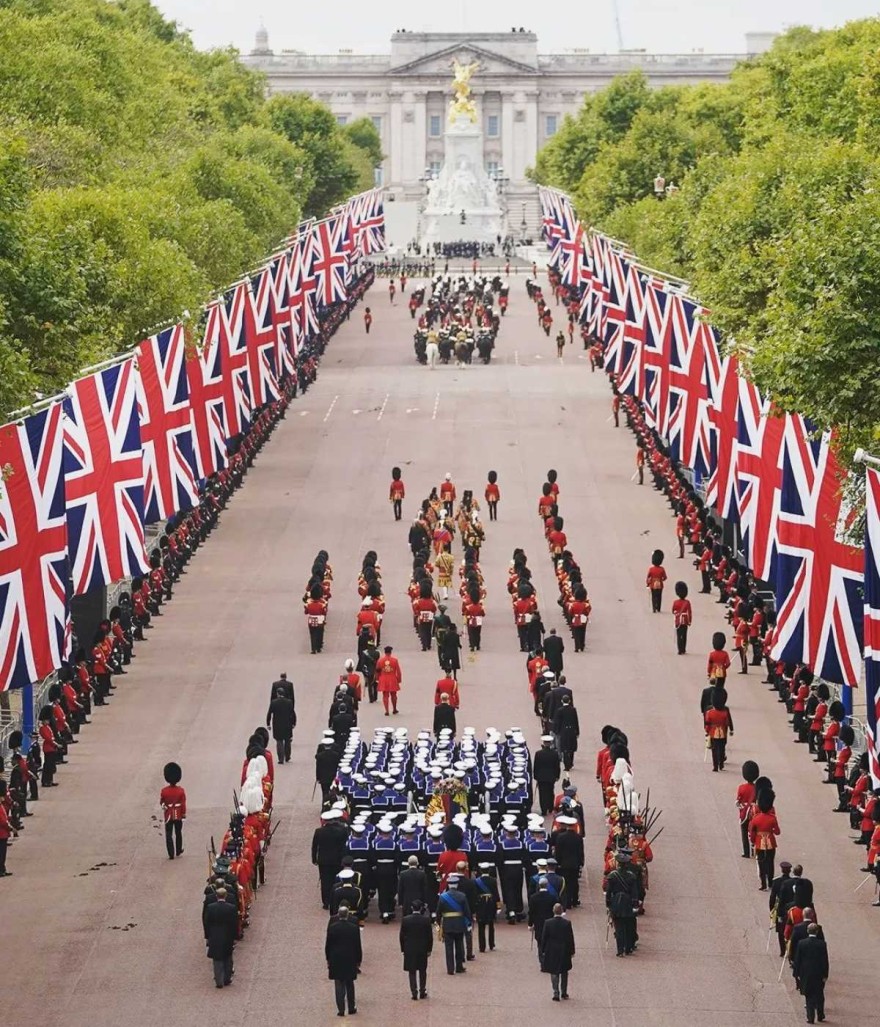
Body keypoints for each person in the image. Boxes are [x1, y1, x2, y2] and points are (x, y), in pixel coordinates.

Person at [325, 906, 362, 1016]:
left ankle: (341, 1009)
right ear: (347, 915)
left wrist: (328, 958)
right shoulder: (353, 928)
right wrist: (358, 959)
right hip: (350, 958)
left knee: (338, 984)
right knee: (350, 983)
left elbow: (328, 945)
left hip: (336, 958)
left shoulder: (332, 927)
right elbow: (357, 945)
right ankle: (351, 1007)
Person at [313, 810, 351, 909]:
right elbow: (345, 846)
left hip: (324, 861)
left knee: (325, 881)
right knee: (337, 881)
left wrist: (314, 859)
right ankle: (336, 900)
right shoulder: (342, 830)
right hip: (338, 860)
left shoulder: (319, 831)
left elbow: (315, 847)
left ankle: (326, 902)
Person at [793, 923, 829, 1024]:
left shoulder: (801, 943)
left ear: (808, 931)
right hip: (818, 973)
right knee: (819, 994)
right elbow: (825, 960)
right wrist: (825, 974)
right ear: (817, 932)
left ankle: (810, 1017)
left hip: (806, 973)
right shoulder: (822, 944)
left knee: (808, 995)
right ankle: (820, 1015)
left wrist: (796, 973)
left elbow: (798, 959)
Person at [539, 904, 575, 1001]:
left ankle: (556, 992)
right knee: (564, 972)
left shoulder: (548, 923)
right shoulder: (567, 923)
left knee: (554, 972)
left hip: (552, 950)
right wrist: (572, 951)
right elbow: (570, 938)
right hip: (564, 950)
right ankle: (564, 992)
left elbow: (544, 938)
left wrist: (542, 950)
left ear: (553, 911)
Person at [437, 875, 471, 975]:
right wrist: (468, 923)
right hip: (459, 923)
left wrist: (438, 923)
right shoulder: (462, 896)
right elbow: (467, 912)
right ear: (457, 885)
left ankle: (450, 969)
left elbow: (439, 912)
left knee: (448, 947)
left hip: (447, 924)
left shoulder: (443, 897)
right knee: (459, 946)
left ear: (448, 884)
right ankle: (459, 966)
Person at [204, 887, 237, 988]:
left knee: (217, 959)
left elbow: (207, 922)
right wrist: (234, 936)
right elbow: (234, 923)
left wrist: (208, 935)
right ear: (225, 895)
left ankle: (219, 981)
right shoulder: (231, 908)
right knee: (227, 957)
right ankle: (227, 979)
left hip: (214, 935)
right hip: (227, 935)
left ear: (216, 896)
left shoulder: (210, 907)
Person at [400, 900, 433, 1000]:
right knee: (423, 970)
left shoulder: (406, 920)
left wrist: (403, 948)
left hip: (410, 948)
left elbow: (402, 936)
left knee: (412, 971)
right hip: (422, 948)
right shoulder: (426, 920)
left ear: (412, 908)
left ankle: (414, 992)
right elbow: (429, 936)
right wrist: (429, 949)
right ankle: (422, 990)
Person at [160, 762, 186, 860]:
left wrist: (164, 808)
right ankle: (178, 850)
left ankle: (171, 853)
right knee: (178, 832)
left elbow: (162, 802)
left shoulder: (164, 791)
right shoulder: (181, 791)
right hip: (178, 814)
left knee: (168, 834)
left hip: (168, 815)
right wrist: (183, 814)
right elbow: (183, 804)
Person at [527, 878, 556, 963]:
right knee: (548, 941)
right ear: (547, 885)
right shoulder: (552, 898)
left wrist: (530, 924)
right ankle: (548, 959)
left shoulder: (533, 898)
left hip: (538, 923)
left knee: (540, 941)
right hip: (550, 922)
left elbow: (531, 912)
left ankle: (542, 961)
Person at [473, 863, 500, 952]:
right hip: (491, 903)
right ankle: (491, 944)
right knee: (491, 924)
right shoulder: (493, 880)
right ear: (489, 870)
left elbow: (475, 894)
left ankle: (482, 946)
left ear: (480, 871)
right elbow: (496, 894)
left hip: (480, 903)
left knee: (481, 926)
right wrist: (498, 906)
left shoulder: (476, 881)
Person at [266, 685, 296, 764]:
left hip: (277, 725)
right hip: (287, 724)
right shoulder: (289, 702)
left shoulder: (274, 702)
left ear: (278, 694)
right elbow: (292, 713)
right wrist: (293, 722)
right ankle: (288, 756)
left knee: (279, 741)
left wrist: (268, 723)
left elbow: (269, 713)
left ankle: (281, 758)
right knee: (287, 741)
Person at [534, 736, 562, 815]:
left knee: (542, 793)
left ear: (543, 743)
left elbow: (536, 766)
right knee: (550, 791)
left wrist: (535, 776)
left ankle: (543, 809)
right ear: (550, 743)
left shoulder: (538, 753)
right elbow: (557, 766)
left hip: (541, 777)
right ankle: (550, 807)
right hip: (551, 776)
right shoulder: (554, 753)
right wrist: (557, 776)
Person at [704, 696, 733, 772]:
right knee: (721, 748)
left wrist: (707, 731)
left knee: (714, 750)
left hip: (713, 732)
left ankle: (715, 766)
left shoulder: (709, 712)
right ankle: (721, 764)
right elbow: (727, 723)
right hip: (722, 732)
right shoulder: (724, 713)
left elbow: (707, 723)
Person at [552, 695, 580, 772]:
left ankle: (566, 765)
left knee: (564, 748)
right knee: (571, 747)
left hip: (563, 731)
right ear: (569, 701)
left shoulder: (559, 710)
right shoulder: (573, 710)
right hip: (572, 730)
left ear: (562, 701)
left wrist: (556, 731)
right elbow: (576, 721)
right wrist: (577, 731)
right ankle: (571, 762)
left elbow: (557, 722)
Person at [376, 646, 402, 716]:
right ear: (390, 652)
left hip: (383, 679)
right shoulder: (394, 660)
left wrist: (377, 679)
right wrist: (399, 679)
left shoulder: (380, 660)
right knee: (394, 695)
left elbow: (377, 671)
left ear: (385, 652)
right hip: (392, 678)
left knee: (385, 695)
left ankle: (387, 710)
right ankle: (394, 709)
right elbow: (398, 671)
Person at [671, 581, 692, 654]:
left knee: (679, 635)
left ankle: (679, 649)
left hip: (678, 620)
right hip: (685, 620)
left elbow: (673, 610)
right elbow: (689, 612)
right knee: (684, 635)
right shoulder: (687, 602)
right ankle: (683, 648)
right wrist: (689, 621)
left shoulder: (675, 602)